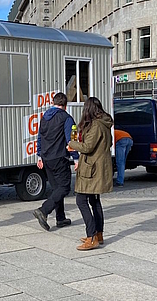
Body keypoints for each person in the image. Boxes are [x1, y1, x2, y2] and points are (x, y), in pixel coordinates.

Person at [68, 97, 113, 251]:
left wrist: (72, 144)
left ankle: (91, 236)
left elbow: (87, 147)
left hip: (92, 168)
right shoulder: (105, 124)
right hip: (100, 167)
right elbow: (109, 143)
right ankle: (98, 234)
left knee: (81, 200)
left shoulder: (95, 126)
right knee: (95, 201)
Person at [32, 92, 77, 231]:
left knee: (57, 188)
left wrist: (39, 156)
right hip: (59, 158)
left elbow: (40, 137)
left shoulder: (44, 118)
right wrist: (76, 158)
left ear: (53, 103)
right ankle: (44, 210)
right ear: (65, 105)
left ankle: (61, 218)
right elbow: (71, 140)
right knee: (64, 188)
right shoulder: (66, 118)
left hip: (46, 158)